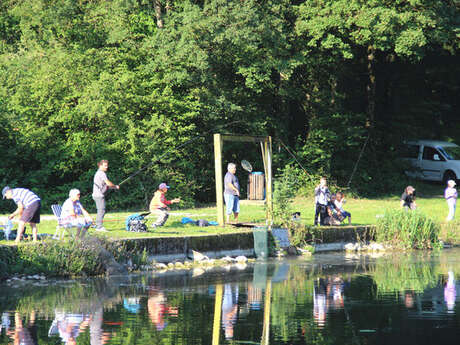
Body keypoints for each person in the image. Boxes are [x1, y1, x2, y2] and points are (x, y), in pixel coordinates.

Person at [92, 160, 119, 232]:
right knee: (101, 210)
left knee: (101, 210)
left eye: (107, 165)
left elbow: (106, 186)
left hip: (97, 194)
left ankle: (98, 226)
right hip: (99, 195)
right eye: (105, 166)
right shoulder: (101, 173)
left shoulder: (99, 173)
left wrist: (114, 187)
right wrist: (115, 186)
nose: (107, 167)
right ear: (100, 166)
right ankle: (99, 227)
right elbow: (108, 183)